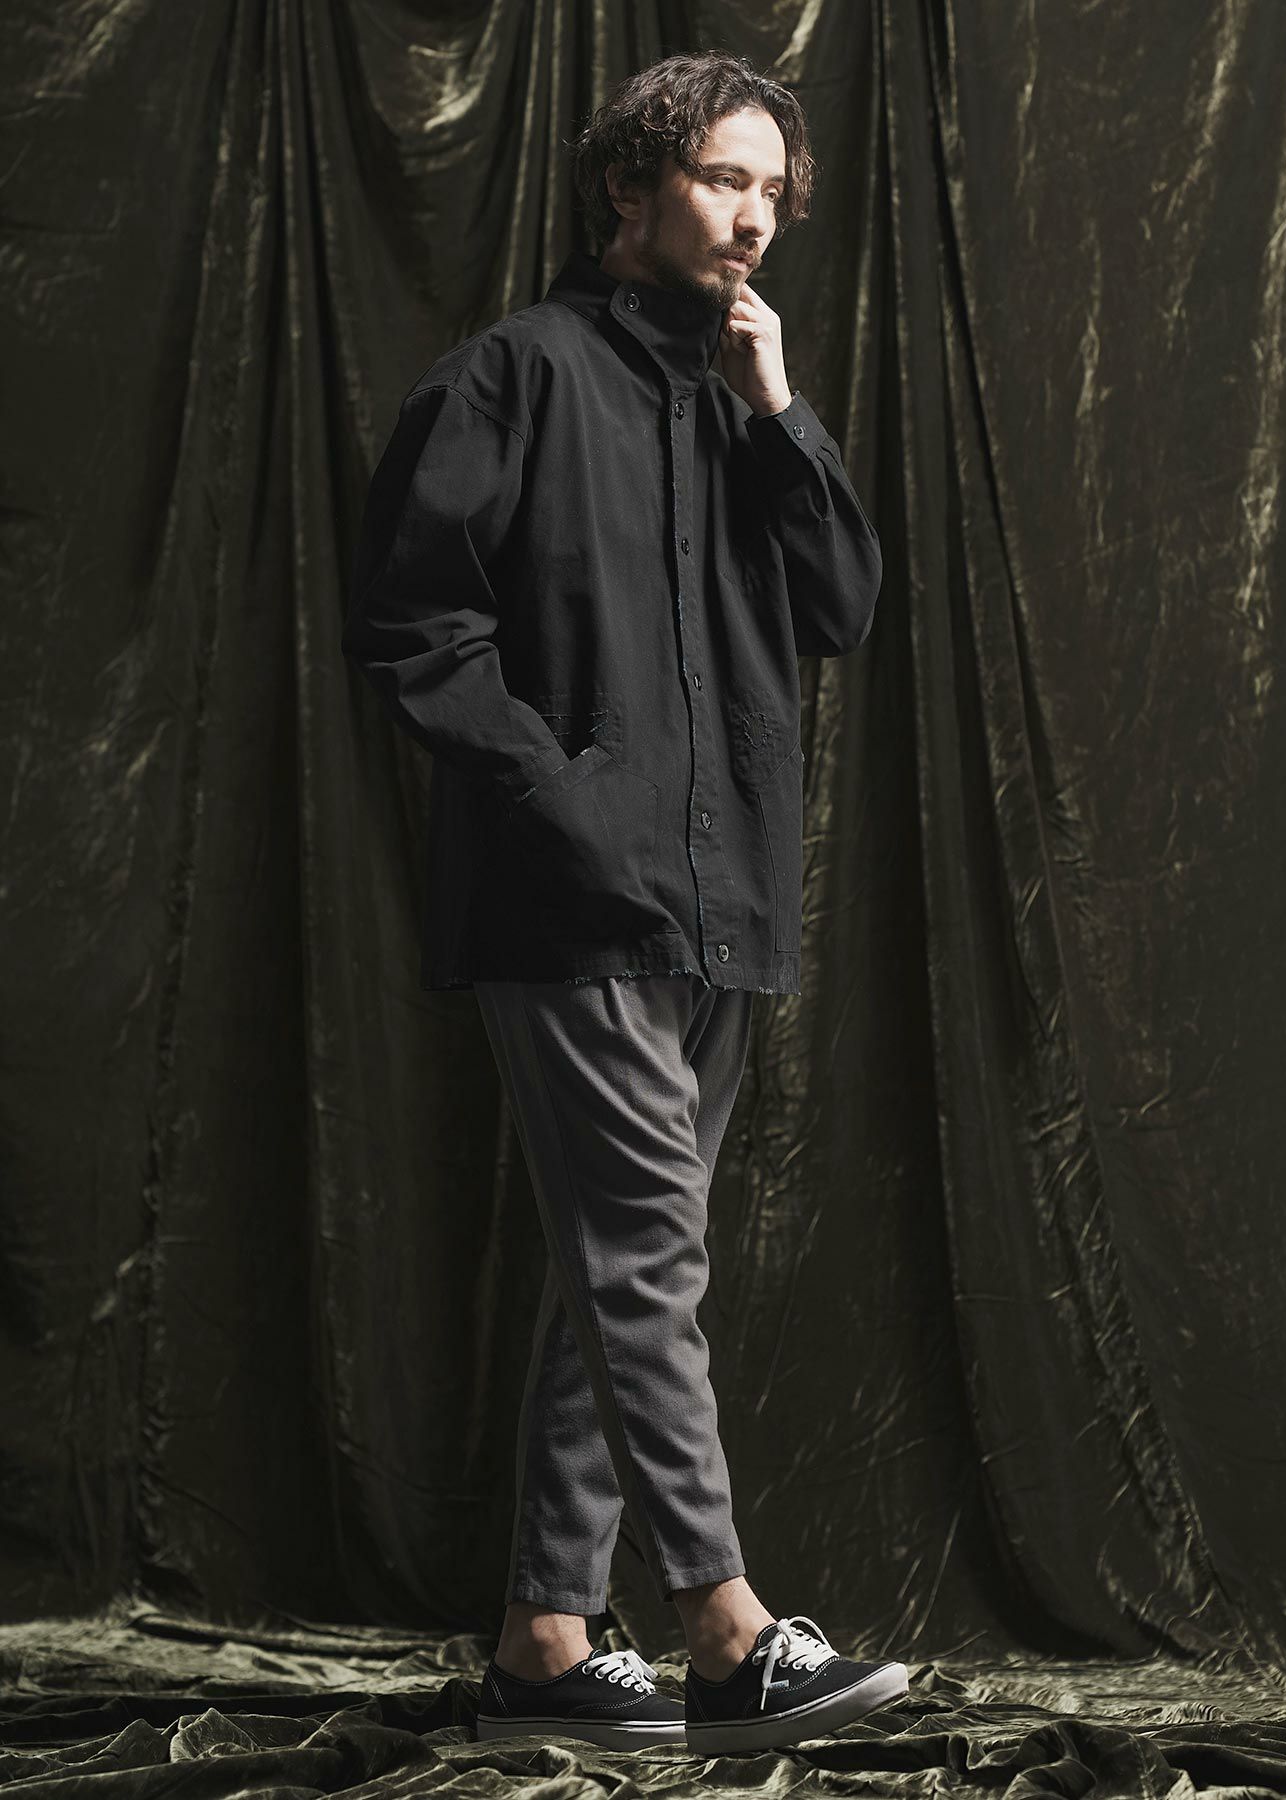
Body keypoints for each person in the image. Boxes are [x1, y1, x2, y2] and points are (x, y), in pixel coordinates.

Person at [342, 48, 903, 1754]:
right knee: (646, 1257)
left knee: (626, 1268)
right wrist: (568, 805)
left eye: (771, 192)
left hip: (724, 906)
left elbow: (843, 606)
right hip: (574, 902)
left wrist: (778, 408)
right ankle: (727, 1632)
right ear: (630, 188)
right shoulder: (511, 377)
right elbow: (414, 628)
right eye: (723, 179)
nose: (752, 218)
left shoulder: (740, 400)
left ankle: (542, 1643)